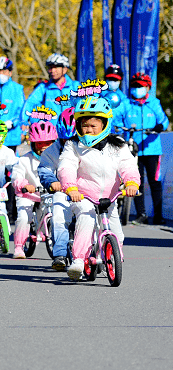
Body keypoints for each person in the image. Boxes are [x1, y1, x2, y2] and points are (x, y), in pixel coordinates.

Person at [58, 96, 139, 280]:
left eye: (93, 126)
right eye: (84, 125)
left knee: (117, 234)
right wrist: (71, 188)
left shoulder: (117, 144)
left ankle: (111, 258)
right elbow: (66, 166)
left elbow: (128, 165)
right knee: (86, 220)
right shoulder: (73, 145)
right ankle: (78, 260)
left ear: (104, 124)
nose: (88, 130)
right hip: (83, 197)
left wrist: (131, 183)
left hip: (109, 199)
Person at [121, 73, 169, 225]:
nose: (137, 89)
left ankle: (158, 216)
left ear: (148, 87)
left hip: (152, 149)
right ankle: (141, 214)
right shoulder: (126, 103)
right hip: (132, 150)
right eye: (134, 85)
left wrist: (160, 126)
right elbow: (114, 117)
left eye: (140, 86)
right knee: (137, 182)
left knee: (155, 182)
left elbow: (164, 120)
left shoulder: (154, 103)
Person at [37, 107, 76, 270]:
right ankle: (60, 253)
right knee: (58, 217)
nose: (68, 144)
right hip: (63, 191)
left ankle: (104, 251)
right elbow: (44, 168)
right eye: (64, 140)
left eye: (72, 139)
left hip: (87, 191)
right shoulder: (52, 150)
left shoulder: (92, 147)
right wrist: (52, 181)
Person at [11, 121, 57, 258]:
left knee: (60, 215)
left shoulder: (58, 158)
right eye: (39, 143)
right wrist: (24, 185)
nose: (44, 147)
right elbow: (16, 176)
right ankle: (19, 247)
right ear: (32, 143)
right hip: (28, 195)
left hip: (49, 194)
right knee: (24, 218)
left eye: (48, 143)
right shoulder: (24, 160)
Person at [22, 53, 79, 120]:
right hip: (51, 128)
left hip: (71, 128)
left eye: (56, 67)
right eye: (50, 67)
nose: (52, 70)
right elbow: (30, 103)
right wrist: (23, 120)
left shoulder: (75, 86)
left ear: (65, 69)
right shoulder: (43, 87)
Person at [102, 64, 129, 134]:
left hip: (118, 136)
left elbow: (128, 123)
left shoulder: (125, 101)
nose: (113, 82)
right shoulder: (98, 96)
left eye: (115, 80)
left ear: (120, 81)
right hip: (100, 135)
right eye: (110, 79)